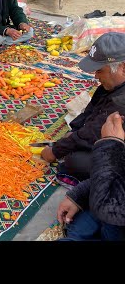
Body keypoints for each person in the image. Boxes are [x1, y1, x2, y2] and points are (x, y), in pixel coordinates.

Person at [41, 32, 125, 181]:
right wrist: (75, 131)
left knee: (77, 162)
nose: (95, 76)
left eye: (99, 70)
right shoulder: (110, 87)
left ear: (123, 68)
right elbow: (91, 112)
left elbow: (94, 132)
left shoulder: (121, 100)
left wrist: (55, 151)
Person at [56, 111, 125, 241]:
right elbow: (117, 177)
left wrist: (110, 144)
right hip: (109, 211)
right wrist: (78, 196)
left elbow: (109, 208)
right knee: (77, 227)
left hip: (113, 214)